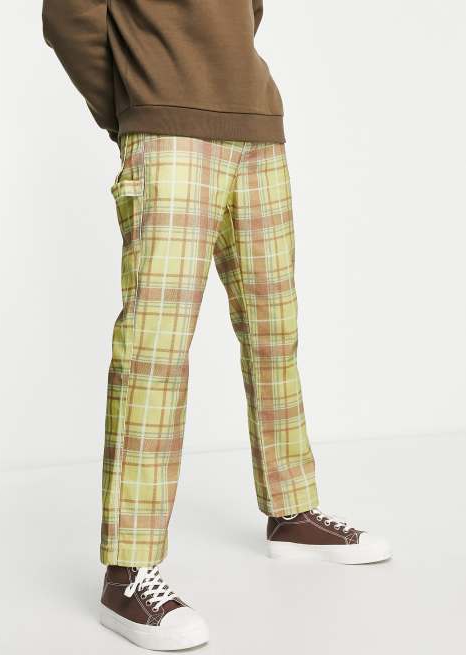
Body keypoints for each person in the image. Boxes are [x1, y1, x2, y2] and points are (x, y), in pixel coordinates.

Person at [42, 1, 391, 650]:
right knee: (154, 349)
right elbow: (69, 16)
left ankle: (290, 512)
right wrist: (137, 106)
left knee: (273, 330)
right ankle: (128, 573)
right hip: (167, 133)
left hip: (256, 125)